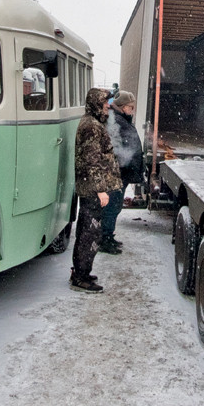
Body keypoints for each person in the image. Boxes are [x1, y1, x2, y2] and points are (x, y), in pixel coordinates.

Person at [70, 88, 122, 292]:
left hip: (90, 188)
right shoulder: (91, 126)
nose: (108, 105)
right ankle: (81, 277)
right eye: (104, 102)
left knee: (87, 231)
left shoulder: (92, 123)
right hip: (92, 190)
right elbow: (92, 161)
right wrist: (101, 189)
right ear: (96, 104)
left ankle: (81, 271)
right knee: (89, 234)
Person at [99, 90, 143, 254]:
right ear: (123, 106)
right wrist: (122, 165)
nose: (132, 110)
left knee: (115, 206)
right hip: (116, 173)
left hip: (122, 172)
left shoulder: (121, 119)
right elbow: (114, 147)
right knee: (111, 207)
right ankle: (104, 239)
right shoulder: (115, 120)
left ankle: (108, 236)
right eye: (131, 107)